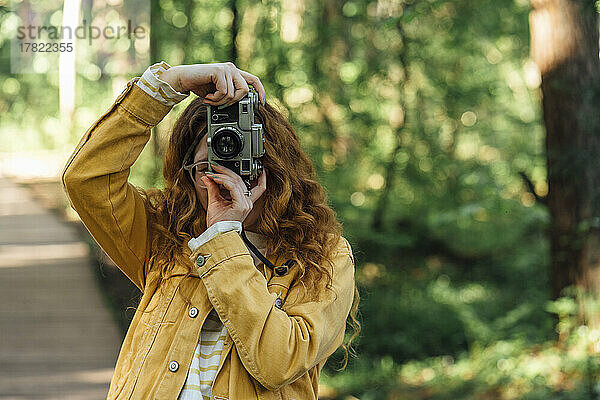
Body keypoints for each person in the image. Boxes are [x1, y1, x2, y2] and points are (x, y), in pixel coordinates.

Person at [62, 61, 360, 400]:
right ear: (188, 175)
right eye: (208, 166)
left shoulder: (325, 255)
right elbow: (86, 180)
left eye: (238, 160)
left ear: (273, 165)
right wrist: (165, 85)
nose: (223, 178)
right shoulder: (166, 235)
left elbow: (279, 362)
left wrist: (223, 238)